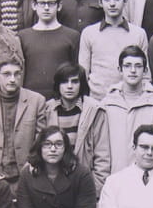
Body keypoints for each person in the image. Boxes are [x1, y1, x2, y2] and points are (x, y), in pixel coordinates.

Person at [0, 55, 46, 189]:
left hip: (27, 173)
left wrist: (31, 164)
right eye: (7, 74)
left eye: (17, 74)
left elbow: (40, 139)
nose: (12, 79)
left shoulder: (36, 101)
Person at [100, 46, 153, 172]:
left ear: (145, 71)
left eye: (138, 66)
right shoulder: (107, 104)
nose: (133, 70)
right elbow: (101, 151)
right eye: (127, 66)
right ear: (120, 70)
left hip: (151, 177)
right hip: (117, 176)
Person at [45, 62, 110, 193]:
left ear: (81, 84)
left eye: (74, 82)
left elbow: (102, 156)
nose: (69, 86)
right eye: (64, 82)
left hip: (83, 183)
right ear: (58, 84)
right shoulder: (47, 109)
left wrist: (94, 190)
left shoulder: (94, 110)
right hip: (53, 184)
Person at [78, 0, 148, 100]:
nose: (112, 4)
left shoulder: (138, 34)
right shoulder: (89, 33)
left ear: (125, 1)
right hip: (98, 101)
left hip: (129, 102)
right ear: (100, 2)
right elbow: (83, 74)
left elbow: (145, 76)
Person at [18, 0, 80, 100]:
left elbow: (76, 73)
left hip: (61, 101)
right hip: (30, 100)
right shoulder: (23, 36)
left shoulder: (72, 36)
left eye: (51, 3)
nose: (46, 8)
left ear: (59, 6)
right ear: (34, 5)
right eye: (42, 3)